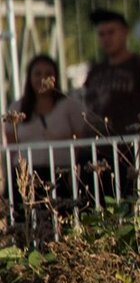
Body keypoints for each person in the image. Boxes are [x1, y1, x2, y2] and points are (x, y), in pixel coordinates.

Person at [80, 8, 140, 205]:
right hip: (90, 155)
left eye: (111, 32)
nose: (106, 38)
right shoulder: (95, 70)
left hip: (124, 155)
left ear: (124, 32)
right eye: (101, 34)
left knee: (124, 210)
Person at [5, 54, 90, 202]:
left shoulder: (69, 105)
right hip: (27, 176)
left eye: (48, 74)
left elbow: (79, 139)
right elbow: (12, 145)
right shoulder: (17, 108)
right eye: (37, 74)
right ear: (29, 77)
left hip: (61, 174)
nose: (42, 79)